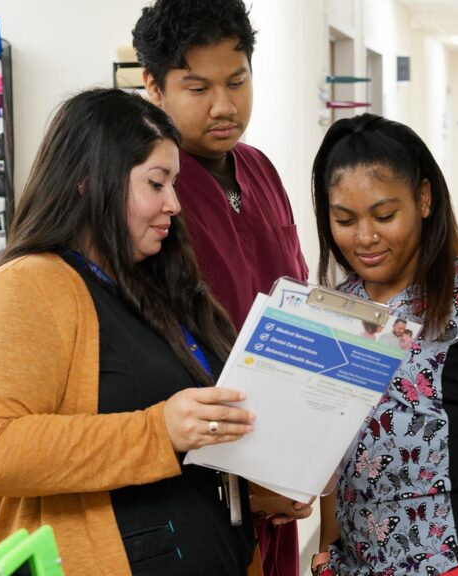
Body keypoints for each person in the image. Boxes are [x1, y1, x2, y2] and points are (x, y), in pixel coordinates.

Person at [0, 89, 261, 576]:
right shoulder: (24, 288)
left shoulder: (154, 286)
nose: (174, 204)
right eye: (156, 184)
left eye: (173, 184)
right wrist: (159, 430)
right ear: (89, 182)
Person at [310, 114, 458, 576]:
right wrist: (325, 553)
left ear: (423, 198)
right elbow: (332, 448)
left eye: (384, 215)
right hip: (353, 562)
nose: (365, 237)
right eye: (344, 219)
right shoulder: (336, 307)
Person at [133, 2, 311, 574]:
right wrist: (245, 481)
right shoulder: (148, 192)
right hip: (203, 478)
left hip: (282, 462)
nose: (224, 106)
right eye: (197, 87)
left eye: (237, 82)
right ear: (154, 87)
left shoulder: (259, 169)